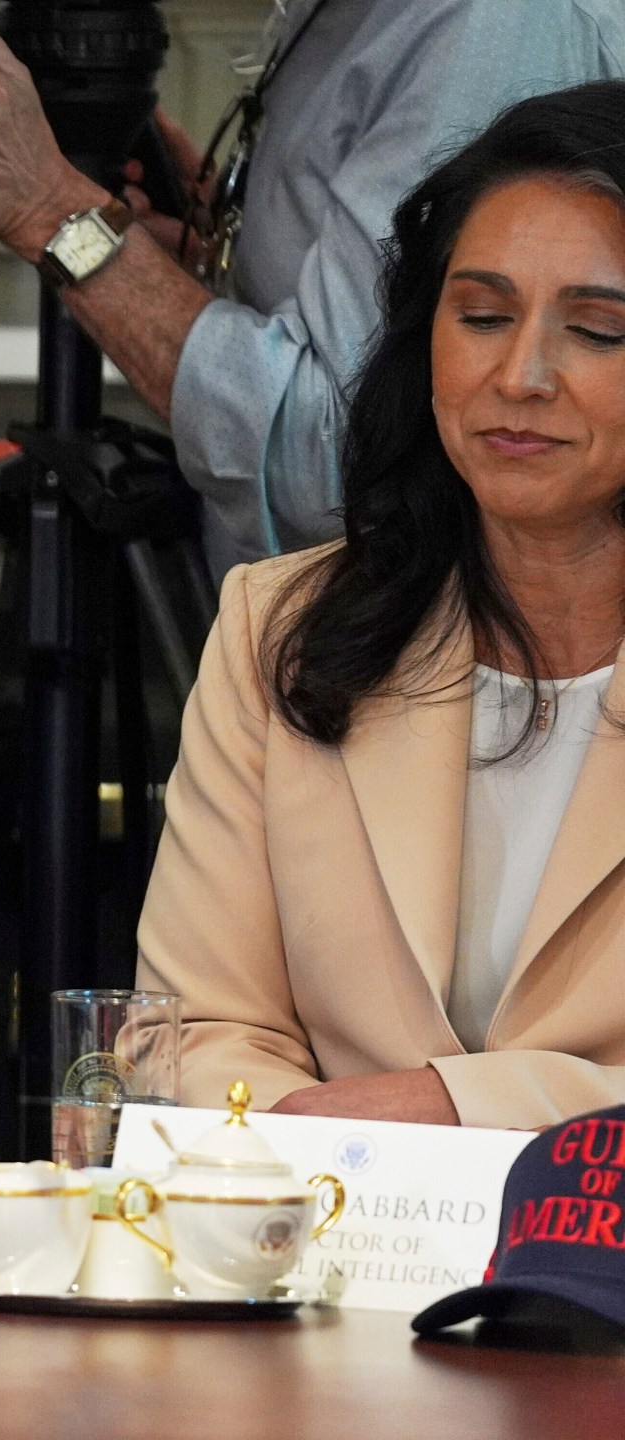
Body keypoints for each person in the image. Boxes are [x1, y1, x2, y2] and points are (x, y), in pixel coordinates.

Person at [138, 83, 625, 1129]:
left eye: (595, 331)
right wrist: (346, 1172)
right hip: (325, 1259)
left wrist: (456, 1113)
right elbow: (192, 1029)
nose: (519, 374)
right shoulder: (281, 628)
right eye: (482, 316)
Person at [0, 1, 625, 572]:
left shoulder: (493, 26)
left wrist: (52, 214)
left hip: (409, 688)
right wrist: (191, 265)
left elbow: (332, 458)